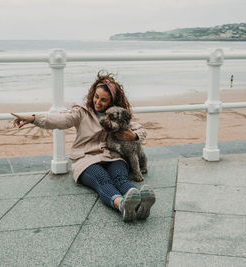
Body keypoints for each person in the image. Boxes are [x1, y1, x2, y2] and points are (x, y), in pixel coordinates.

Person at [11, 71, 156, 222]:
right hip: (86, 159)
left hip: (111, 156)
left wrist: (133, 136)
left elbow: (141, 130)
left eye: (104, 100)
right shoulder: (81, 112)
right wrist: (34, 118)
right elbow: (59, 120)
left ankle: (140, 205)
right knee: (103, 179)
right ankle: (122, 206)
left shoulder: (117, 115)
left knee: (120, 177)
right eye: (96, 96)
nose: (98, 102)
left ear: (111, 102)